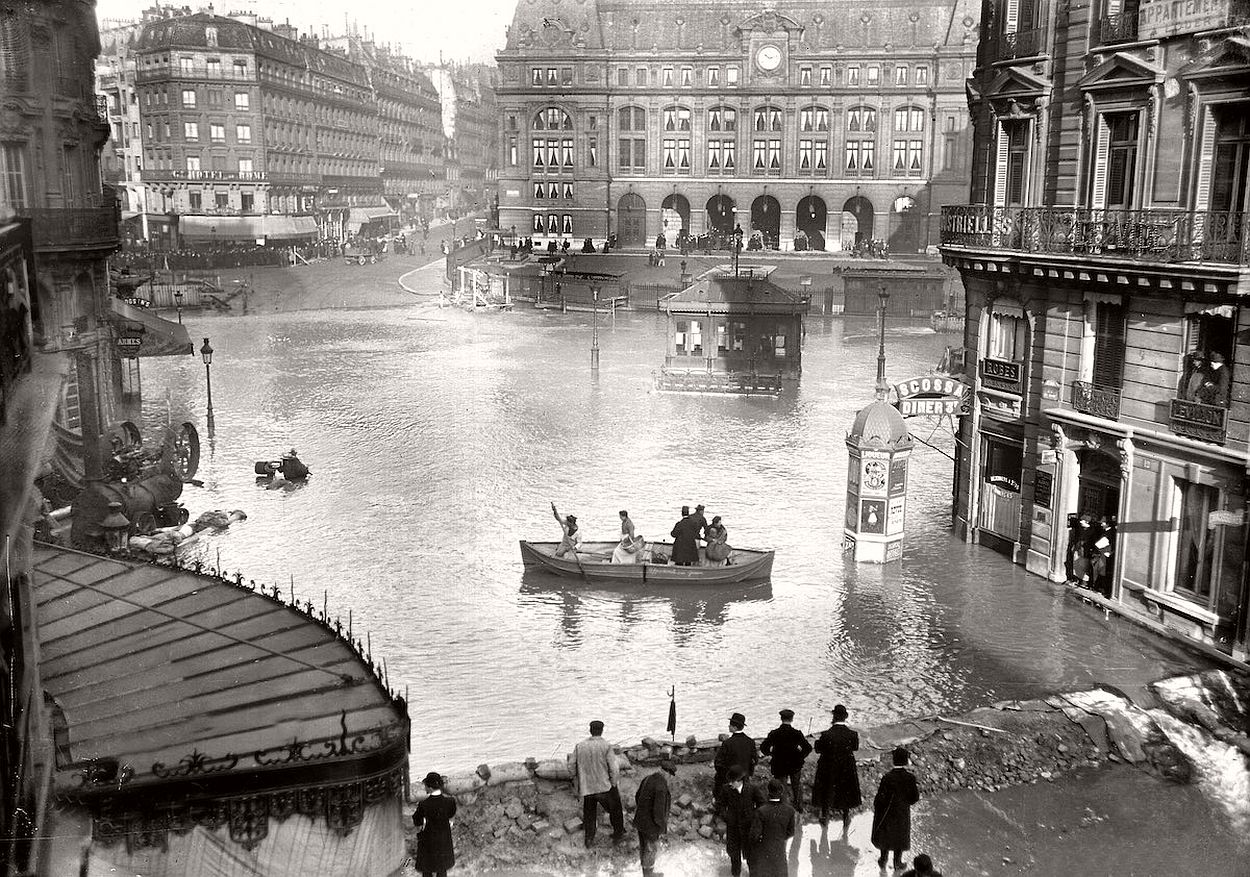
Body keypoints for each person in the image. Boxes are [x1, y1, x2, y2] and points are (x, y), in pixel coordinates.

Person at [572, 720, 626, 847]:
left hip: (587, 787)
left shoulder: (580, 746)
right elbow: (614, 768)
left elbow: (571, 765)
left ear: (590, 731)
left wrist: (577, 779)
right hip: (604, 787)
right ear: (601, 731)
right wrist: (613, 783)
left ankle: (589, 840)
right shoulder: (606, 746)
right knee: (616, 809)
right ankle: (618, 835)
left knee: (589, 814)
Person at [812, 704, 862, 830]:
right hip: (846, 766)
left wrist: (817, 742)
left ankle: (825, 817)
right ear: (845, 717)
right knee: (845, 789)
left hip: (828, 765)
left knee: (827, 789)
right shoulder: (852, 734)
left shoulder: (827, 734)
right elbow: (855, 748)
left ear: (834, 717)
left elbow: (818, 749)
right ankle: (846, 816)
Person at [871, 747, 920, 871]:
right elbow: (914, 798)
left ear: (894, 761)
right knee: (900, 835)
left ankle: (883, 860)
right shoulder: (910, 778)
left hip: (887, 812)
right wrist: (905, 803)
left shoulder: (887, 777)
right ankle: (897, 862)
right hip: (902, 813)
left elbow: (880, 798)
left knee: (886, 835)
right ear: (905, 761)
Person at [760, 709, 812, 814]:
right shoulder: (797, 733)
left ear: (781, 718)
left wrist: (772, 753)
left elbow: (763, 748)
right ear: (792, 719)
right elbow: (808, 748)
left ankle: (783, 810)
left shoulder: (774, 733)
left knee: (781, 787)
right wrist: (800, 756)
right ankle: (799, 808)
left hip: (779, 764)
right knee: (796, 786)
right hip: (795, 764)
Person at [634, 757, 676, 877]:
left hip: (640, 821)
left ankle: (645, 872)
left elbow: (637, 796)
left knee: (643, 847)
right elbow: (658, 812)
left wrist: (643, 811)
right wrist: (662, 828)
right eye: (670, 776)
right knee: (651, 849)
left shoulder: (648, 778)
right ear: (667, 773)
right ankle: (649, 875)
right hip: (650, 826)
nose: (670, 779)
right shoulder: (661, 787)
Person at [720, 764, 763, 877]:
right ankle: (736, 875)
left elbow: (761, 804)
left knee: (751, 857)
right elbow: (721, 805)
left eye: (732, 781)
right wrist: (727, 816)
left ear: (739, 781)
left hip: (748, 829)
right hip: (733, 828)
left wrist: (754, 816)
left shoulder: (752, 789)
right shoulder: (726, 789)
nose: (730, 784)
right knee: (734, 856)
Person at [412, 771, 457, 877]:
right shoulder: (450, 801)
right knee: (442, 869)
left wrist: (423, 821)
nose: (425, 788)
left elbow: (416, 821)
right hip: (444, 840)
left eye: (426, 786)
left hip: (428, 842)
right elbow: (451, 814)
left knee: (427, 869)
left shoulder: (424, 804)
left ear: (430, 788)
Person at [750, 778, 798, 877]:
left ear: (768, 791)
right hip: (780, 849)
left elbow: (754, 835)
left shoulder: (761, 811)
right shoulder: (790, 811)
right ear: (781, 791)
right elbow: (791, 832)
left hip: (764, 850)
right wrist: (780, 838)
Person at [714, 712, 758, 801]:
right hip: (745, 778)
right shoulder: (750, 742)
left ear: (734, 727)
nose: (728, 726)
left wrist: (724, 775)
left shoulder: (727, 743)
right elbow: (754, 760)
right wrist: (749, 774)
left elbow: (718, 763)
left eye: (730, 725)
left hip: (730, 779)